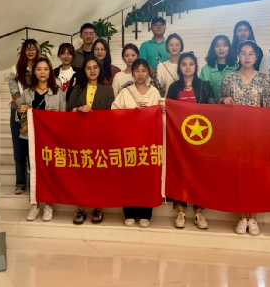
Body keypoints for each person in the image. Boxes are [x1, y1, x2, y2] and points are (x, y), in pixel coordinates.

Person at [219, 41, 270, 236]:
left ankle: (253, 217)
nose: (247, 57)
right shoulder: (229, 77)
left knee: (255, 176)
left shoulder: (264, 79)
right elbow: (219, 102)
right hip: (234, 134)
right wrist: (223, 100)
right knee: (239, 175)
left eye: (251, 53)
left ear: (256, 56)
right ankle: (242, 217)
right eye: (243, 53)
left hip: (257, 135)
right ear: (238, 55)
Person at [166, 52, 215, 230]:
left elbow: (213, 109)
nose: (188, 67)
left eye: (191, 64)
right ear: (179, 67)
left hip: (201, 139)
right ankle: (180, 211)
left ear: (196, 66)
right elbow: (168, 109)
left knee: (199, 174)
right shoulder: (174, 87)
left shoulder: (204, 86)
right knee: (179, 172)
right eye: (184, 64)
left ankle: (198, 212)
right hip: (179, 137)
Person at [112, 58, 163, 228]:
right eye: (137, 70)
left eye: (143, 70)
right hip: (129, 143)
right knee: (129, 179)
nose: (140, 74)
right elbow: (114, 112)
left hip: (149, 143)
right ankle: (129, 213)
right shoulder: (125, 92)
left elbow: (160, 116)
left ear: (148, 73)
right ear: (132, 73)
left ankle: (145, 214)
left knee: (147, 179)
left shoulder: (154, 92)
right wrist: (130, 115)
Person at [67, 56, 115, 225]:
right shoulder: (77, 89)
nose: (92, 71)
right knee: (79, 175)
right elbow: (68, 110)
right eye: (89, 68)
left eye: (95, 67)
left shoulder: (108, 90)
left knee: (98, 175)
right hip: (80, 138)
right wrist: (78, 109)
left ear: (100, 70)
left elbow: (111, 114)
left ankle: (97, 208)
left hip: (100, 138)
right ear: (84, 71)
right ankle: (80, 209)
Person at [18, 57, 67, 222]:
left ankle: (48, 205)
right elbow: (20, 118)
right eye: (39, 69)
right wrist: (21, 111)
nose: (42, 72)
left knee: (50, 171)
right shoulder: (27, 93)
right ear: (34, 72)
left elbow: (63, 118)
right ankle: (34, 205)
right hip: (31, 138)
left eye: (45, 69)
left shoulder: (58, 93)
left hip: (51, 139)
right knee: (33, 170)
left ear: (50, 71)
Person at [9, 39, 40, 195]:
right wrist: (22, 107)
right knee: (19, 148)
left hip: (36, 112)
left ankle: (34, 182)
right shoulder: (16, 69)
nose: (30, 51)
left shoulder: (41, 68)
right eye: (27, 49)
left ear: (37, 50)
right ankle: (20, 183)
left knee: (33, 149)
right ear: (23, 51)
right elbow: (14, 90)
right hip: (18, 112)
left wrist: (32, 107)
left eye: (33, 48)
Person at [200, 35, 238, 100]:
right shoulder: (205, 69)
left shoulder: (237, 67)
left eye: (224, 45)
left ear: (229, 48)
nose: (221, 49)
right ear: (213, 49)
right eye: (217, 46)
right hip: (211, 105)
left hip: (232, 105)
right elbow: (200, 91)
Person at [156, 33, 183, 97]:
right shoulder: (161, 66)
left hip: (185, 101)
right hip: (168, 101)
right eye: (171, 45)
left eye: (177, 44)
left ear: (181, 46)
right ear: (167, 47)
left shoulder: (186, 65)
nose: (174, 47)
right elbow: (158, 89)